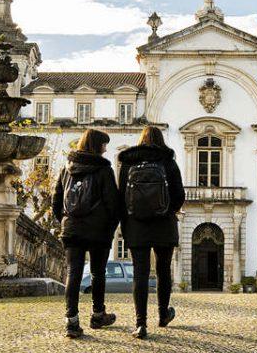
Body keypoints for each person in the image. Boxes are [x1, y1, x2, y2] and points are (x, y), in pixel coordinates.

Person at [117, 125, 185, 339]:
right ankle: (163, 315)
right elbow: (179, 195)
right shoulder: (168, 161)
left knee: (140, 274)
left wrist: (126, 222)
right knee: (164, 271)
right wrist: (169, 210)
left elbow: (121, 197)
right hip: (164, 223)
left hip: (136, 225)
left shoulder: (128, 162)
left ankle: (140, 323)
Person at [51, 129, 120, 338]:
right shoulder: (104, 169)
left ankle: (71, 321)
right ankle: (98, 315)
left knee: (73, 273)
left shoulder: (67, 168)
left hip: (72, 229)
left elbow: (56, 201)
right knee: (98, 274)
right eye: (104, 145)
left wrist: (65, 222)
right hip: (98, 231)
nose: (105, 149)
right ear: (97, 146)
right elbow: (113, 204)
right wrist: (110, 229)